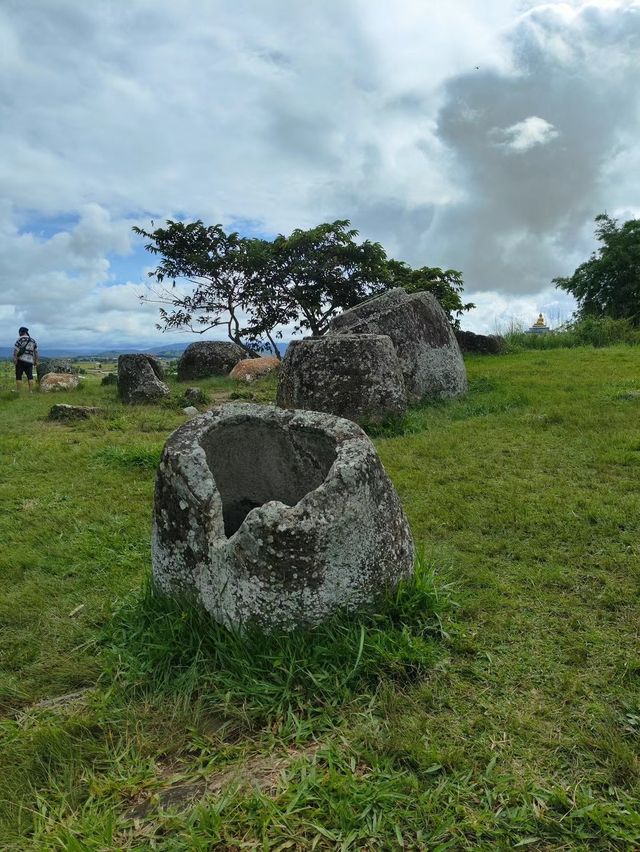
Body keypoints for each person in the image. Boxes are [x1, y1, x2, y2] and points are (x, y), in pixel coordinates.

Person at [13, 326, 38, 392]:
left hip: (20, 360)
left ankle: (18, 390)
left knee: (18, 376)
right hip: (30, 361)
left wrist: (15, 359)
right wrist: (36, 361)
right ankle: (31, 391)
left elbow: (16, 350)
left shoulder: (20, 339)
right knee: (30, 376)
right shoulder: (33, 340)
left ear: (21, 332)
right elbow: (36, 352)